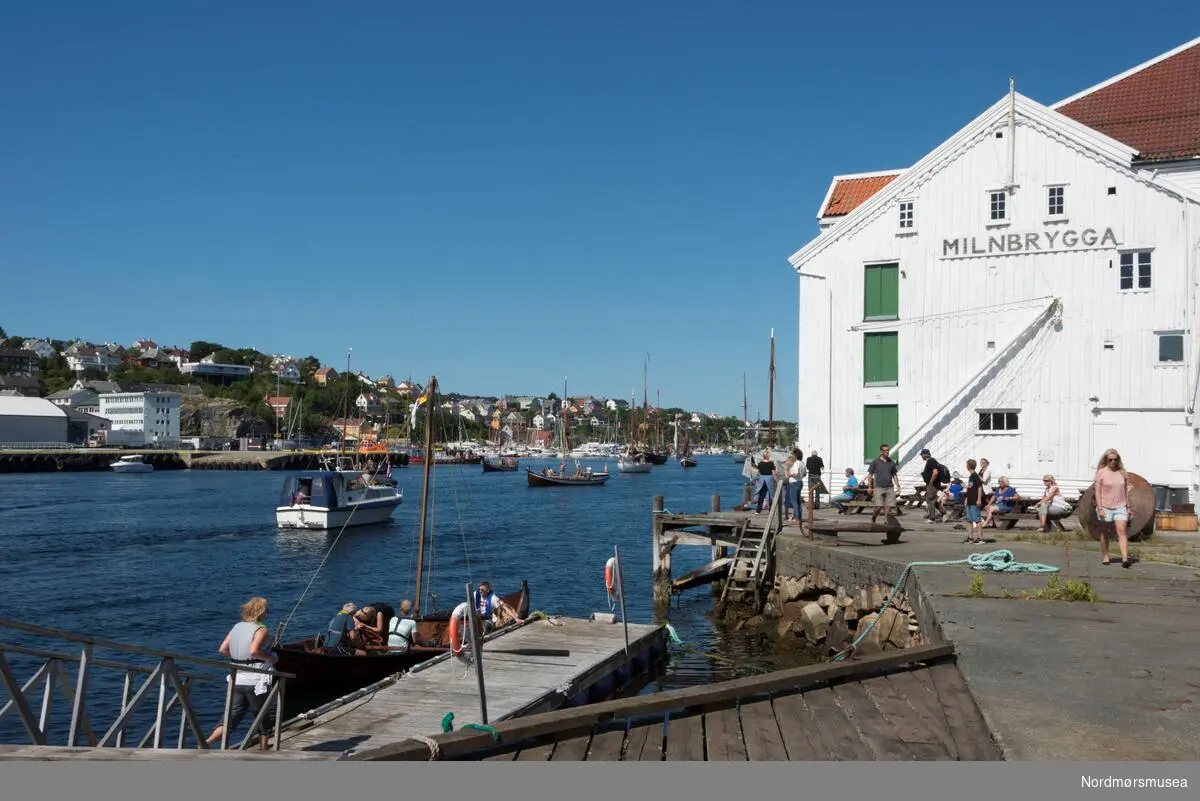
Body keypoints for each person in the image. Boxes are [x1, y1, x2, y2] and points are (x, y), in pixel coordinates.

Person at [206, 597, 278, 751]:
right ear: (262, 612)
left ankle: (207, 742)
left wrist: (239, 658)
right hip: (255, 679)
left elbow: (223, 649)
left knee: (233, 715)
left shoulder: (237, 626)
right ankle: (264, 748)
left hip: (236, 677)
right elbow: (254, 651)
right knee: (262, 713)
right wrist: (271, 658)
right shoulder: (261, 629)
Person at [1094, 449, 1133, 568]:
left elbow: (1125, 490)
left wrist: (1128, 506)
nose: (1113, 462)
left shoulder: (1122, 473)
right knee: (1105, 532)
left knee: (1122, 531)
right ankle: (1106, 555)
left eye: (1115, 459)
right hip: (1105, 506)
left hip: (1120, 506)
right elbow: (1097, 492)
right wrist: (1100, 508)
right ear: (1106, 460)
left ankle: (1125, 559)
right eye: (1110, 459)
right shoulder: (1101, 473)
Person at [866, 443, 900, 526]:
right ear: (881, 451)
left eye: (888, 450)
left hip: (889, 488)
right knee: (878, 507)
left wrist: (898, 485)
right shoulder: (875, 462)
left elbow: (894, 474)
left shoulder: (891, 462)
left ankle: (887, 522)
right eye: (885, 450)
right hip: (878, 487)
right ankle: (874, 518)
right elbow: (870, 474)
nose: (887, 452)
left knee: (889, 509)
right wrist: (869, 486)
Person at [962, 460, 985, 544]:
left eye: (966, 464)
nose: (966, 466)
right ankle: (970, 537)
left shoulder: (975, 476)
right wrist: (967, 498)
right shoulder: (971, 476)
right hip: (970, 500)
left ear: (969, 466)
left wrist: (979, 499)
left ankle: (980, 538)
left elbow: (979, 487)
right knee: (969, 520)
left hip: (975, 501)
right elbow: (971, 488)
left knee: (977, 520)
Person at [919, 448, 945, 522]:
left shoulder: (931, 461)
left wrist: (930, 482)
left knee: (930, 500)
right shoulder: (932, 461)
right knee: (933, 499)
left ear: (924, 454)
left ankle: (932, 517)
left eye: (921, 455)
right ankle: (943, 512)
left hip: (932, 484)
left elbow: (935, 472)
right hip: (935, 484)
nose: (921, 456)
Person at [783, 450, 802, 521]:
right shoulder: (797, 463)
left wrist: (787, 471)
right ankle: (794, 516)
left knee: (792, 501)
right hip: (794, 482)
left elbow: (788, 476)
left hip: (791, 483)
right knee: (794, 501)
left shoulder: (793, 464)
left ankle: (795, 517)